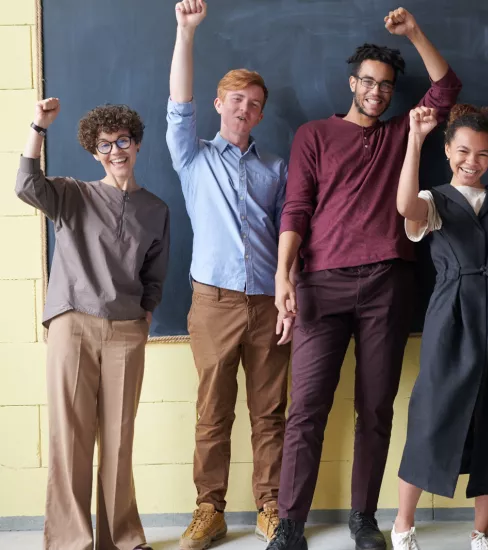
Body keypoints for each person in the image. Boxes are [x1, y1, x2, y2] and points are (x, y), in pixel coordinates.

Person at [267, 8, 462, 550]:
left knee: (375, 409)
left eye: (386, 86)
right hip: (319, 284)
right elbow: (296, 208)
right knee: (306, 409)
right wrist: (284, 276)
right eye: (369, 83)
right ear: (352, 84)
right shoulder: (314, 135)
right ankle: (290, 524)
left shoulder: (405, 131)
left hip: (387, 283)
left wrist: (414, 32)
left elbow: (447, 88)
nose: (377, 92)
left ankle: (362, 519)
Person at [16, 98, 169, 550]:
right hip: (73, 326)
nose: (115, 151)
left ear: (137, 143)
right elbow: (26, 184)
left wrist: (145, 314)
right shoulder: (72, 194)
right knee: (71, 438)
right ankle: (69, 540)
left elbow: (155, 274)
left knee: (120, 440)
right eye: (105, 145)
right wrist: (39, 127)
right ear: (94, 152)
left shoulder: (156, 209)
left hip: (126, 331)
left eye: (123, 141)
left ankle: (121, 538)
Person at [166, 1, 292, 547]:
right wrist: (186, 33)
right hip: (213, 301)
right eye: (236, 99)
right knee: (213, 413)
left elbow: (292, 240)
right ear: (219, 104)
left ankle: (270, 505)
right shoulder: (192, 158)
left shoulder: (277, 168)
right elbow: (177, 104)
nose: (245, 108)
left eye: (255, 104)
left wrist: (291, 298)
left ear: (261, 114)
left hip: (267, 302)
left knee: (270, 412)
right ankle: (209, 509)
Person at [388, 104, 488, 550]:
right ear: (448, 150)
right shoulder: (434, 200)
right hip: (451, 318)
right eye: (463, 151)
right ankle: (403, 525)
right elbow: (403, 205)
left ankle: (481, 533)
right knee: (431, 419)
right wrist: (414, 139)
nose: (472, 161)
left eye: (483, 154)